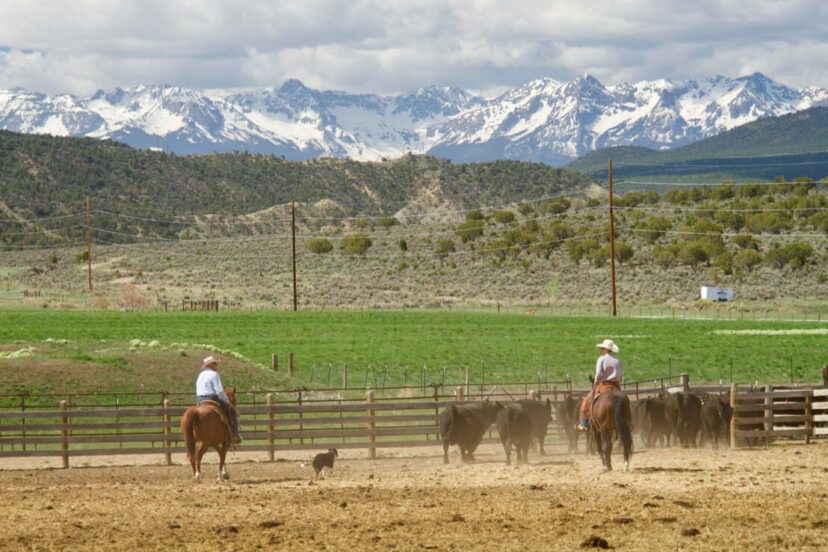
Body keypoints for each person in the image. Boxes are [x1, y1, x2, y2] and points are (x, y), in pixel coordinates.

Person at [576, 339, 623, 432]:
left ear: (605, 349)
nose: (601, 350)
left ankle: (583, 423)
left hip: (603, 385)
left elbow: (598, 374)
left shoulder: (601, 359)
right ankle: (628, 422)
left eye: (602, 348)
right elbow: (620, 375)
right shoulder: (618, 361)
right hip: (616, 386)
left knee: (586, 401)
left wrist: (595, 383)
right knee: (625, 402)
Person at [196, 355, 242, 444]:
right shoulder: (214, 374)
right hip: (212, 398)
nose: (217, 365)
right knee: (231, 411)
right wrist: (227, 402)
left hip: (200, 400)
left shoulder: (200, 375)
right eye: (215, 363)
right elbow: (219, 391)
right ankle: (235, 434)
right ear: (211, 365)